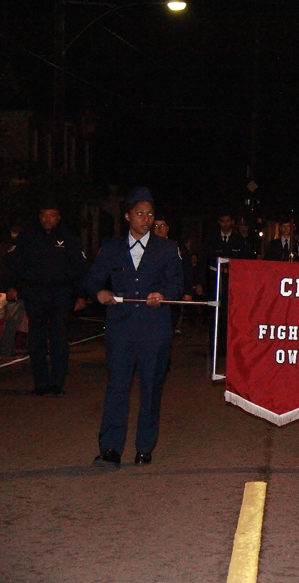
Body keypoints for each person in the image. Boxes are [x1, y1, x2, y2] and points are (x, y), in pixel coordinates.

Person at [85, 187, 183, 469]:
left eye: (150, 214)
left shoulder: (166, 248)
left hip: (154, 329)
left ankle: (144, 447)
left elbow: (177, 284)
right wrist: (99, 293)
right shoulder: (112, 247)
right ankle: (111, 449)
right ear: (127, 216)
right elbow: (92, 279)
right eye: (139, 213)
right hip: (121, 328)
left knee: (150, 388)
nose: (145, 219)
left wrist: (162, 294)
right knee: (117, 387)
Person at [4, 199, 87, 397]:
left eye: (51, 215)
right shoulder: (27, 237)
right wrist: (10, 286)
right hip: (35, 293)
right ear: (39, 217)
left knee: (59, 338)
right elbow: (12, 263)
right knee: (36, 339)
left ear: (58, 217)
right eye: (44, 215)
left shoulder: (69, 238)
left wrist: (81, 295)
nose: (47, 219)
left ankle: (57, 383)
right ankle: (41, 384)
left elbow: (80, 268)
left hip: (61, 294)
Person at [199, 210, 251, 357]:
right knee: (214, 314)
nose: (225, 224)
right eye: (223, 221)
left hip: (233, 283)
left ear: (232, 222)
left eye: (228, 221)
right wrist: (201, 283)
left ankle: (229, 348)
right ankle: (214, 348)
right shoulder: (211, 239)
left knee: (231, 316)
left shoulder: (239, 240)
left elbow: (246, 263)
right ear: (219, 223)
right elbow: (204, 261)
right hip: (215, 281)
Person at [152, 213, 195, 331]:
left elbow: (186, 269)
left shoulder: (176, 247)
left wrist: (188, 291)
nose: (159, 229)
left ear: (167, 228)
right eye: (156, 225)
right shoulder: (147, 247)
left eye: (162, 225)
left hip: (172, 294)